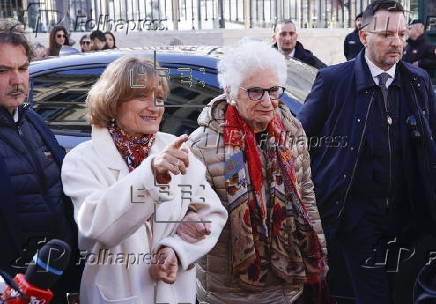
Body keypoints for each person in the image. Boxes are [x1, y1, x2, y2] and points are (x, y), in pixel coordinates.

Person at [297, 1, 436, 303]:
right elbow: (300, 140)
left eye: (401, 34)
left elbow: (429, 142)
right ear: (363, 36)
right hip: (356, 219)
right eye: (386, 34)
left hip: (408, 220)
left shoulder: (418, 81)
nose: (397, 42)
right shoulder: (334, 81)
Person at [61, 56, 227, 304]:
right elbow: (98, 228)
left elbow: (212, 214)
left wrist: (176, 249)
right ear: (113, 102)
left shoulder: (175, 147)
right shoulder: (82, 159)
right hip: (114, 296)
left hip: (174, 295)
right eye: (142, 97)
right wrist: (151, 174)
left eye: (159, 98)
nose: (155, 107)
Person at [187, 40, 329, 304]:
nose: (267, 101)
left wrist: (317, 254)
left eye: (273, 90)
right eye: (255, 91)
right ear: (230, 92)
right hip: (231, 292)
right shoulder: (200, 146)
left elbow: (306, 193)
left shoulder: (291, 130)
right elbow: (194, 220)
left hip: (289, 282)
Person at [0, 19, 82, 302]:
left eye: (22, 68)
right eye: (3, 70)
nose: (17, 79)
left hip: (56, 279)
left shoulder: (33, 120)